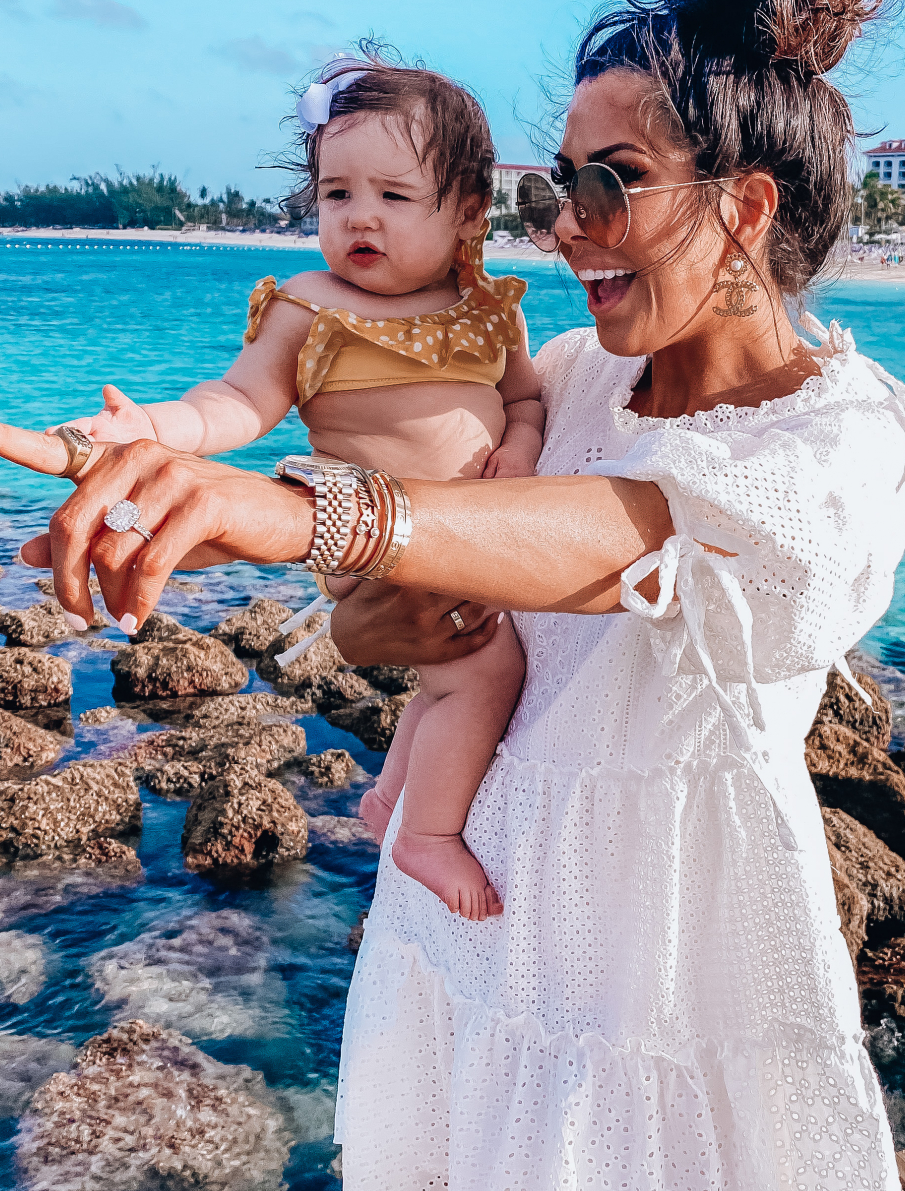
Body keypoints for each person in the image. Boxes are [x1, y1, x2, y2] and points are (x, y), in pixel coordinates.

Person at [0, 0, 905, 1191]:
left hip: (659, 968)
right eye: (556, 185)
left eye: (610, 183)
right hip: (477, 921)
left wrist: (282, 515)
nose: (566, 226)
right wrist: (357, 593)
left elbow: (608, 536)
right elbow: (425, 610)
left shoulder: (840, 438)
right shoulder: (574, 362)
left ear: (744, 203)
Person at [46, 58, 541, 919]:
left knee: (448, 678)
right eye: (336, 194)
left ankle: (392, 798)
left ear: (467, 211)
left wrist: (524, 444)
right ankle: (428, 834)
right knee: (486, 673)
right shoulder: (311, 304)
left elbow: (524, 396)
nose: (360, 218)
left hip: (464, 532)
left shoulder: (489, 307)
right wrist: (154, 427)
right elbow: (236, 403)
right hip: (367, 534)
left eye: (393, 196)